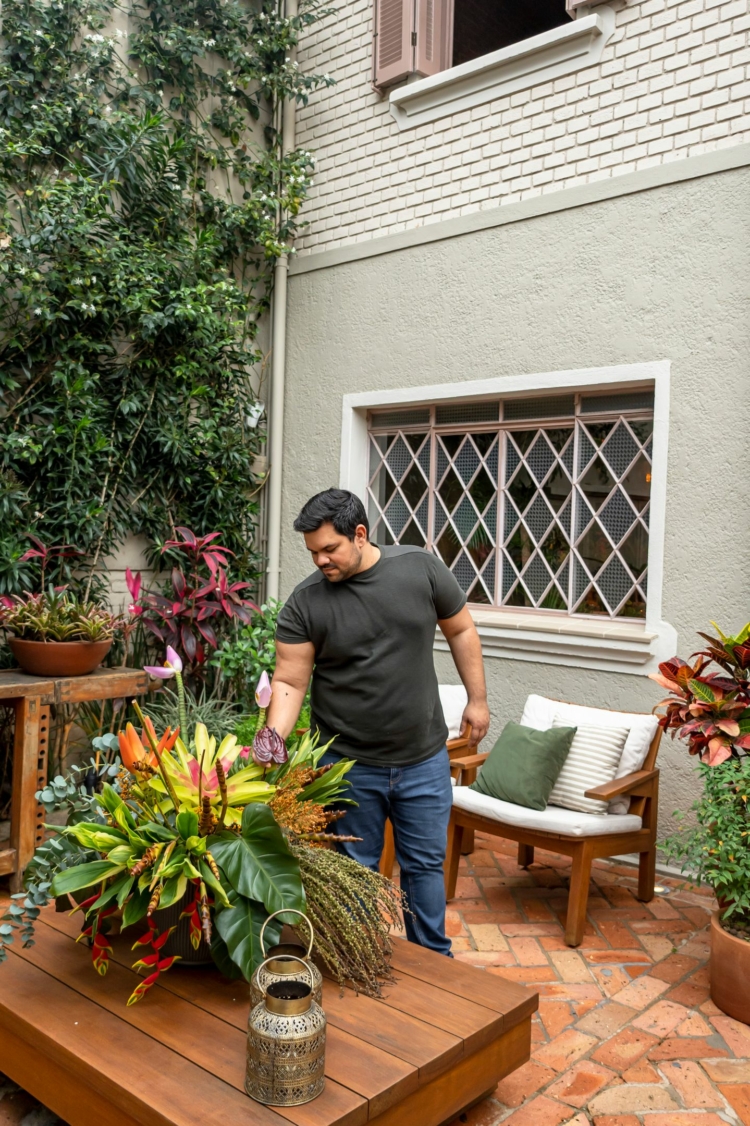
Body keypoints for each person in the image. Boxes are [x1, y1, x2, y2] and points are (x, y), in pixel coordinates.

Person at [265, 488, 489, 956]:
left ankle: (433, 963)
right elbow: (289, 679)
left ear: (360, 534)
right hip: (349, 765)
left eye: (330, 549)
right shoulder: (306, 603)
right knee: (356, 868)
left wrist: (478, 699)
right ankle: (359, 955)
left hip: (423, 759)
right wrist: (271, 738)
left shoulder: (420, 569)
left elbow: (461, 628)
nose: (321, 560)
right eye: (313, 552)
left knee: (425, 867)